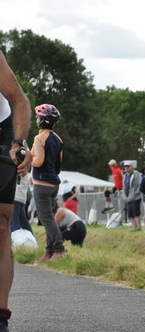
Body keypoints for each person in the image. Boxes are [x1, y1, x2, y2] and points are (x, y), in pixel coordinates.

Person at [0, 50, 32, 332]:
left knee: (1, 225)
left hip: (0, 132)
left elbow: (19, 99)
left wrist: (19, 143)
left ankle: (0, 314)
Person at [31, 104, 65, 265]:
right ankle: (49, 251)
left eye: (38, 117)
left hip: (41, 183)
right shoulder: (58, 139)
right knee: (49, 218)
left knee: (46, 219)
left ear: (41, 120)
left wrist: (27, 158)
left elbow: (38, 161)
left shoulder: (39, 138)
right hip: (53, 184)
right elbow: (58, 164)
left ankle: (59, 249)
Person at [122, 161, 142, 231]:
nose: (126, 168)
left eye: (128, 166)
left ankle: (139, 227)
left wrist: (135, 193)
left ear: (131, 166)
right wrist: (125, 195)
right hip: (128, 198)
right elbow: (124, 186)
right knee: (130, 213)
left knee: (135, 212)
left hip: (136, 197)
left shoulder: (136, 174)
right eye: (125, 166)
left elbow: (140, 184)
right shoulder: (125, 176)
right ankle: (134, 227)